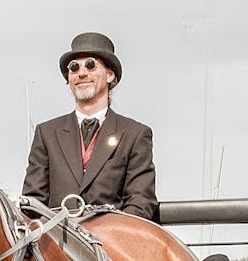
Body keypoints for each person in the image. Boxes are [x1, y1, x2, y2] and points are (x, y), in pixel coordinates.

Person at [22, 32, 157, 220]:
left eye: (91, 65)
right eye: (74, 67)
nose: (82, 73)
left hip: (110, 243)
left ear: (110, 75)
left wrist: (107, 238)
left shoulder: (135, 134)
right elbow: (32, 202)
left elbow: (140, 203)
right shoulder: (47, 133)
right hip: (55, 244)